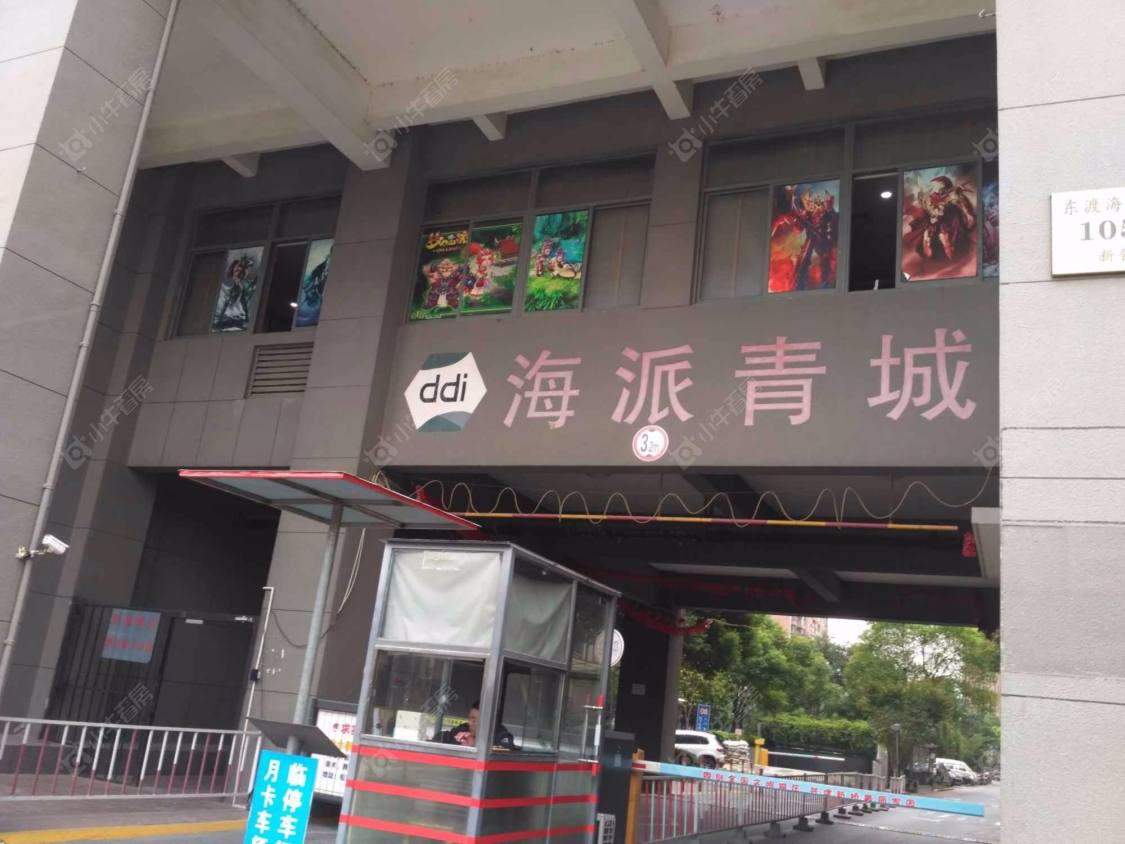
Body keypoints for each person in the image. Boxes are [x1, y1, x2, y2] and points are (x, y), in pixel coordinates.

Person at [441, 701, 516, 750]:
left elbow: (504, 750)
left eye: (474, 720)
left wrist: (475, 746)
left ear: (487, 721)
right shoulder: (464, 728)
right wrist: (458, 741)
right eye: (470, 719)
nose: (470, 723)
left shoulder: (501, 734)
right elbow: (439, 738)